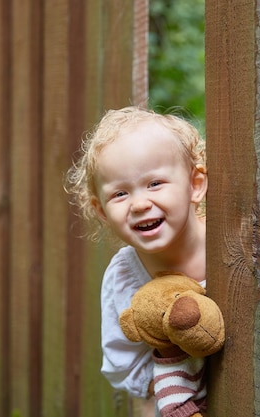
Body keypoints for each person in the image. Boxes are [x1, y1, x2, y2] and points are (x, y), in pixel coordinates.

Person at [65, 106, 209, 417]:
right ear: (102, 211)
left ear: (194, 185)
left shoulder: (230, 246)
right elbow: (121, 362)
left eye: (155, 183)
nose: (140, 204)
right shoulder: (124, 277)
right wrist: (175, 381)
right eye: (120, 194)